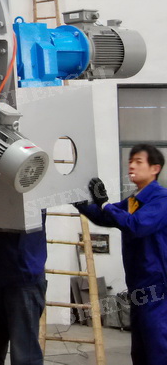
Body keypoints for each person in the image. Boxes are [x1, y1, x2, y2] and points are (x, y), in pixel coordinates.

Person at [75, 144, 167, 365]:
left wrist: (105, 203)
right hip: (138, 286)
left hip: (157, 287)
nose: (131, 166)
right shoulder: (135, 200)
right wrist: (79, 200)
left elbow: (136, 226)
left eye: (138, 161)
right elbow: (106, 217)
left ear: (155, 168)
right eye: (130, 161)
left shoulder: (161, 199)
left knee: (157, 349)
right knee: (141, 350)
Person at [0, 211, 47, 365]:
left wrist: (100, 206)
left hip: (23, 278)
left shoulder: (34, 195)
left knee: (24, 357)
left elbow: (85, 202)